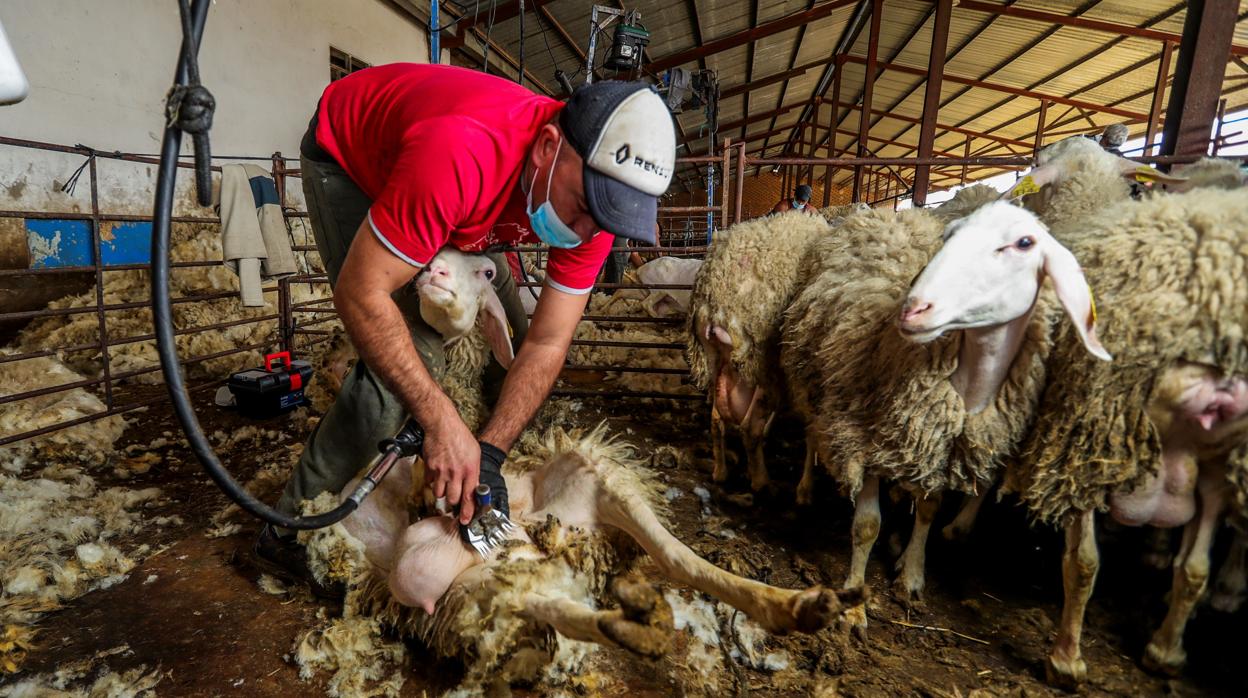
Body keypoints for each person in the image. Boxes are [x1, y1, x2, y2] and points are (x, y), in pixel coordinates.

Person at [256, 63, 676, 587]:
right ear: (547, 148)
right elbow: (361, 296)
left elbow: (546, 343)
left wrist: (492, 452)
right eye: (588, 207)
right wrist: (439, 421)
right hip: (350, 155)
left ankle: (474, 455)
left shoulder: (586, 212)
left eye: (609, 220)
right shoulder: (462, 154)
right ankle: (285, 530)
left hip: (471, 193)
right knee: (408, 362)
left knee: (516, 331)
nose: (590, 231)